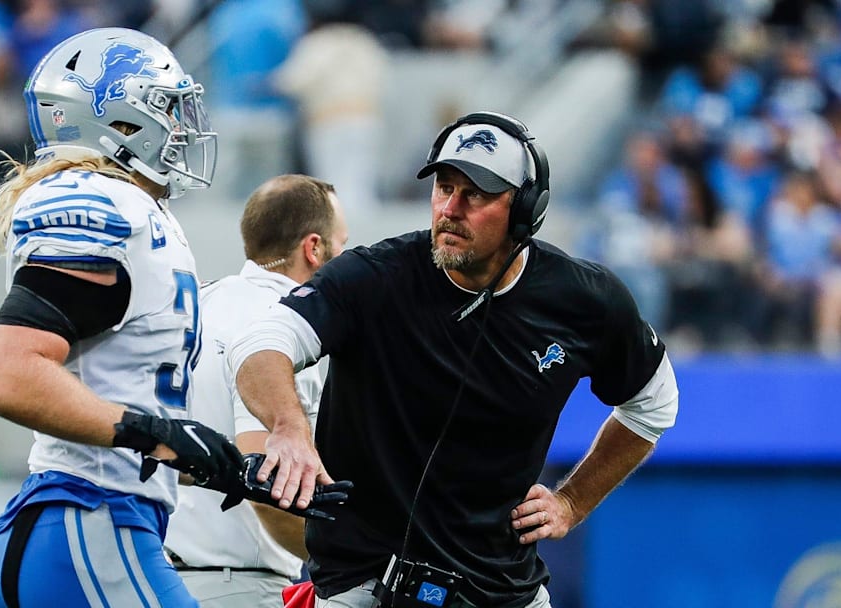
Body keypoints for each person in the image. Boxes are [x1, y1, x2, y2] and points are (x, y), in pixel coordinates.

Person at [228, 111, 680, 607]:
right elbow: (262, 343)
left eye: (477, 194)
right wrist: (288, 427)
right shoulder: (375, 276)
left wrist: (572, 501)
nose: (450, 208)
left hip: (503, 589)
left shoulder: (584, 298)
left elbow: (653, 404)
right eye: (444, 187)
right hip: (363, 585)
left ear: (526, 207)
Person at [0, 27, 243, 608]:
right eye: (165, 109)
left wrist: (237, 469)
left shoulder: (137, 211)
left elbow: (119, 395)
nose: (180, 128)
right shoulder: (102, 203)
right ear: (117, 121)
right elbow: (7, 376)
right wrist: (159, 433)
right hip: (87, 522)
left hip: (88, 526)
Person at [164, 174, 349, 607]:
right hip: (238, 584)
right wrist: (352, 564)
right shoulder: (282, 329)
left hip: (164, 571)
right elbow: (265, 483)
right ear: (315, 248)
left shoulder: (203, 304)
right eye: (344, 244)